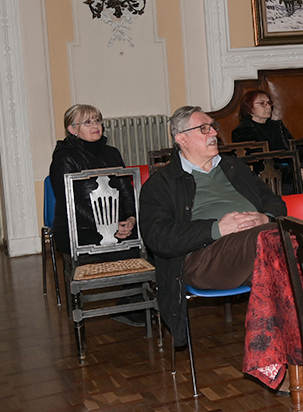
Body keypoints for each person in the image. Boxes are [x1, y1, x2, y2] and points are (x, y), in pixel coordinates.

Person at [140, 106, 287, 348]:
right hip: (201, 259)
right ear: (181, 139)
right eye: (203, 129)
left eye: (213, 127)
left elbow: (274, 201)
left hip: (256, 248)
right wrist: (217, 228)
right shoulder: (161, 184)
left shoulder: (234, 167)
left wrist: (266, 217)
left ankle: (279, 356)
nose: (213, 134)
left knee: (278, 273)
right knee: (274, 242)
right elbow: (159, 238)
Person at [49, 104, 136, 258]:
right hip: (79, 228)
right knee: (121, 251)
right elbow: (72, 204)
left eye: (97, 121)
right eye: (88, 122)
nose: (95, 125)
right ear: (72, 129)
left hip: (117, 224)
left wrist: (130, 218)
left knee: (152, 240)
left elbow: (126, 191)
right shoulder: (63, 158)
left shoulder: (112, 153)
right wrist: (110, 226)